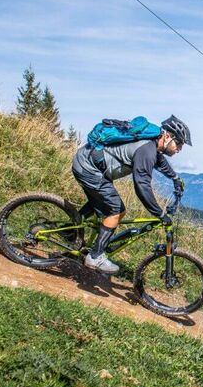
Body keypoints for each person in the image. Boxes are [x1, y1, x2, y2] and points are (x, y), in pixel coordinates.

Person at [72, 115, 191, 274]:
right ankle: (95, 256)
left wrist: (175, 178)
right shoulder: (146, 151)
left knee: (102, 203)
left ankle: (69, 231)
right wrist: (160, 214)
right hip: (89, 168)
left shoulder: (153, 143)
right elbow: (142, 187)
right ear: (167, 136)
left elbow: (160, 161)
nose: (179, 149)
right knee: (116, 210)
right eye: (179, 144)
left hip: (91, 163)